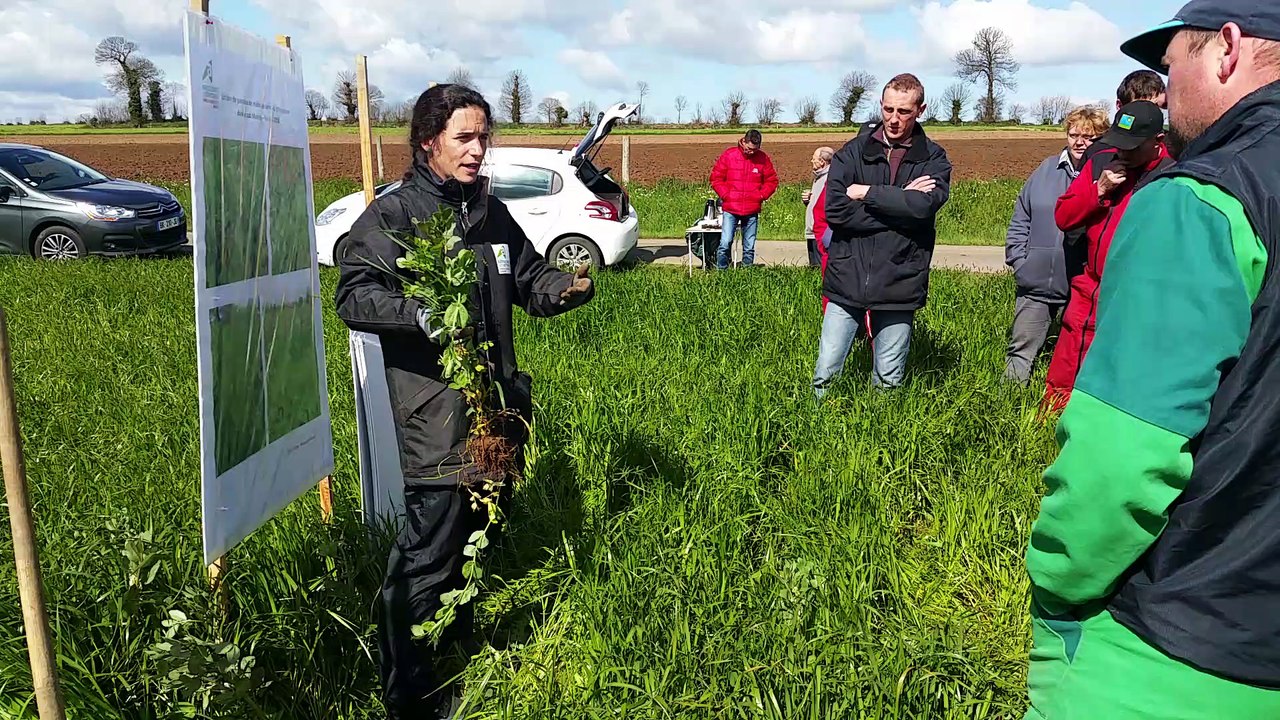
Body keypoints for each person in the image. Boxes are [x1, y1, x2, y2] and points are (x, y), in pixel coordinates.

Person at [1023, 2, 1280, 717]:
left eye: (1171, 69)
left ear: (1226, 50)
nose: (1165, 96)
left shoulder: (1203, 197)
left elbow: (1119, 462)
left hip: (1178, 654)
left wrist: (1057, 584)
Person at [333, 84, 594, 720]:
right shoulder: (394, 218)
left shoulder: (487, 212)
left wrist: (562, 287)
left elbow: (526, 277)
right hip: (438, 415)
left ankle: (452, 645)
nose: (479, 150)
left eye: (485, 137)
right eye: (465, 138)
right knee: (430, 550)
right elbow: (353, 297)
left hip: (499, 408)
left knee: (482, 530)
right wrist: (421, 315)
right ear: (429, 142)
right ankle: (408, 695)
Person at [813, 73, 952, 395]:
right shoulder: (853, 152)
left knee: (888, 380)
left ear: (920, 109)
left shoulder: (933, 158)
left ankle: (882, 436)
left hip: (900, 280)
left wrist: (868, 193)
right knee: (826, 372)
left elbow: (922, 210)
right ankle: (818, 430)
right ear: (881, 105)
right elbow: (835, 211)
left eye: (903, 111)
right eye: (888, 109)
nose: (893, 119)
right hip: (847, 275)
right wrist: (900, 200)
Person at [1041, 100, 1172, 412]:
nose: (1123, 153)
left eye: (1132, 147)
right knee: (1068, 363)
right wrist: (1098, 190)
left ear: (1158, 142)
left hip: (1142, 295)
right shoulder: (1102, 161)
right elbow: (1064, 215)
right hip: (1093, 287)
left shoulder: (1176, 174)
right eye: (1119, 144)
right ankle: (1049, 430)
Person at [1002, 106, 1109, 383]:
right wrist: (1018, 259)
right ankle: (1008, 411)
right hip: (1035, 282)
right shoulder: (1047, 169)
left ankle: (1061, 414)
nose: (1079, 142)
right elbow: (1021, 214)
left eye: (1088, 137)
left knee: (1077, 358)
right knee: (1020, 353)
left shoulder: (1106, 175)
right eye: (1073, 134)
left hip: (1080, 285)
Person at [709, 129, 778, 269]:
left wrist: (761, 196)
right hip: (731, 208)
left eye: (755, 149)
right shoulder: (729, 155)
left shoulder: (763, 158)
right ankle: (722, 271)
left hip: (752, 209)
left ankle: (747, 273)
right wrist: (726, 195)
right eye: (749, 149)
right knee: (725, 242)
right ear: (744, 141)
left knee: (749, 245)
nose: (752, 152)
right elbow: (716, 178)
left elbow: (772, 181)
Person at [1082, 70, 1167, 163]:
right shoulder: (1097, 154)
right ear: (1119, 106)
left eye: (1155, 107)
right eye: (1138, 109)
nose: (1148, 115)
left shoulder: (1176, 151)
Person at [801, 146, 834, 267]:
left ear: (822, 162)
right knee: (813, 266)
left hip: (820, 232)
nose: (811, 161)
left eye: (814, 158)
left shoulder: (829, 179)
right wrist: (809, 200)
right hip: (812, 231)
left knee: (819, 266)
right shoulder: (818, 177)